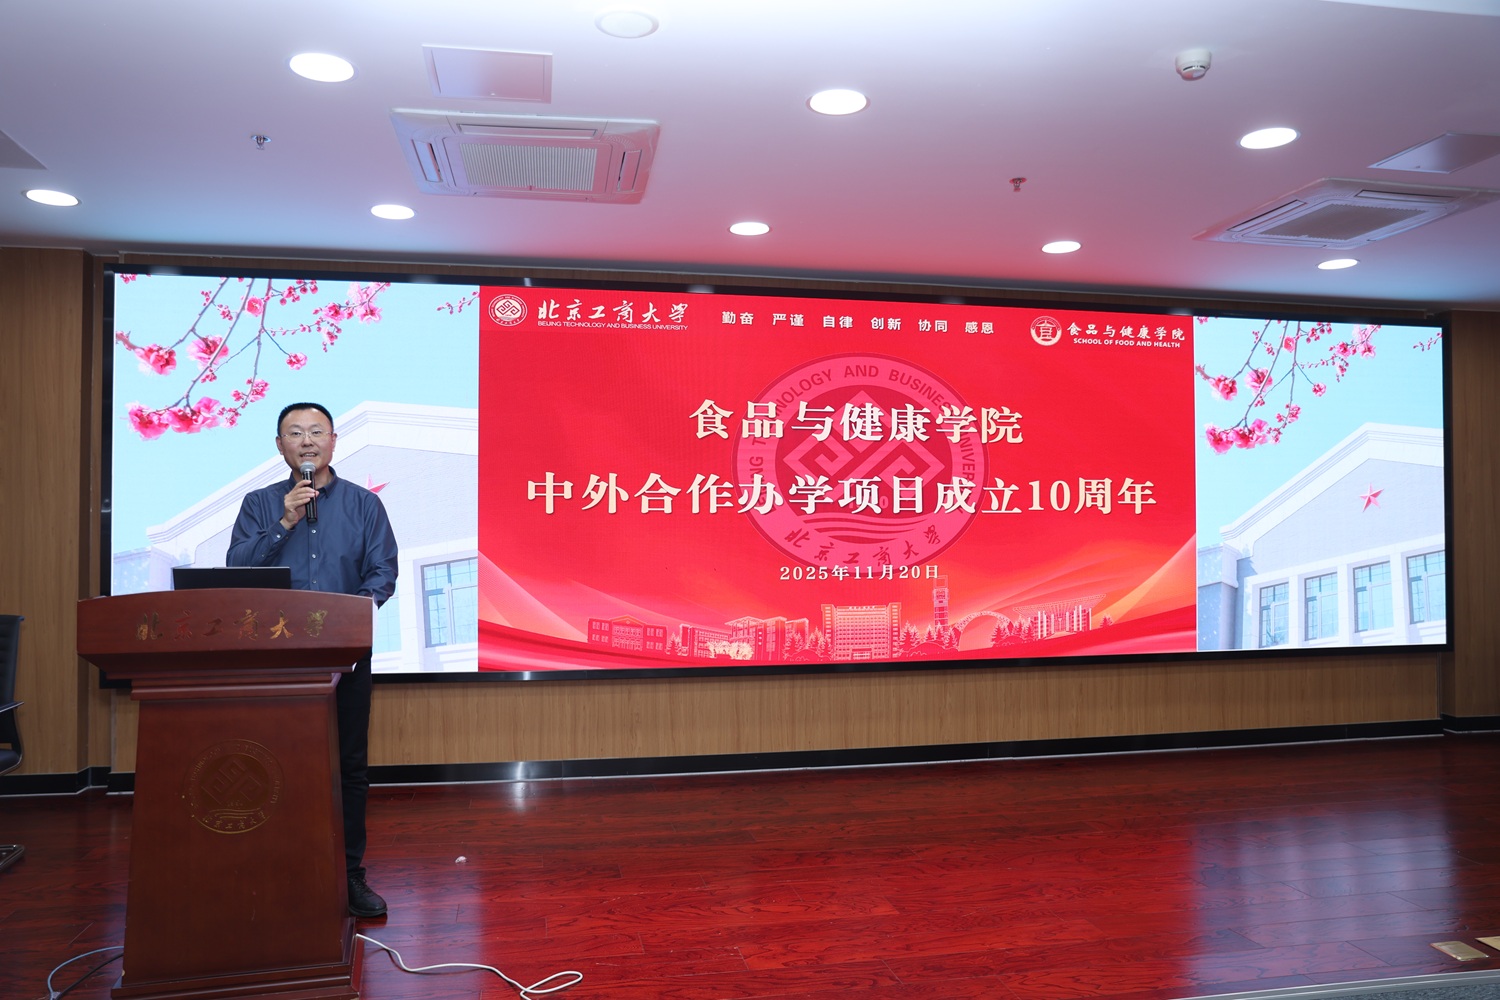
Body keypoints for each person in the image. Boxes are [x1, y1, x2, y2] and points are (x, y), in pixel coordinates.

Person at [226, 401, 398, 919]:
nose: (307, 441)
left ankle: (348, 874)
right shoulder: (260, 504)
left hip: (346, 657)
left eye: (317, 432)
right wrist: (285, 521)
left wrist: (350, 618)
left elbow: (382, 572)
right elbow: (237, 567)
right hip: (276, 661)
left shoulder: (365, 505)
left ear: (333, 441)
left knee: (348, 767)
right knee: (276, 765)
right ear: (280, 445)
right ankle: (281, 870)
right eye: (295, 433)